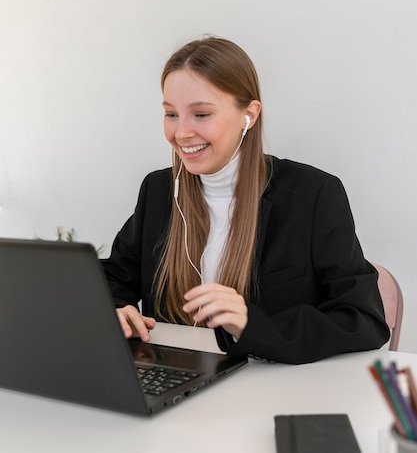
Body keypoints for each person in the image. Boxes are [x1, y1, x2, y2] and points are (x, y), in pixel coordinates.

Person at [101, 36, 389, 364]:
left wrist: (255, 326)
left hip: (270, 389)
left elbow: (364, 320)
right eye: (171, 114)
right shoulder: (159, 190)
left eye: (201, 114)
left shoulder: (312, 195)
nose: (180, 133)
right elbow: (113, 277)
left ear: (248, 115)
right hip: (176, 386)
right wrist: (116, 309)